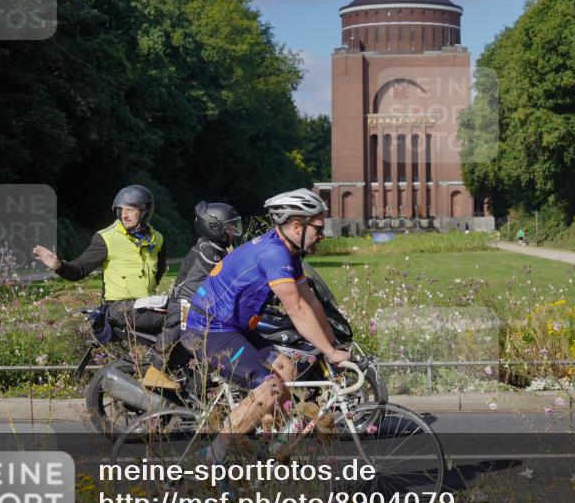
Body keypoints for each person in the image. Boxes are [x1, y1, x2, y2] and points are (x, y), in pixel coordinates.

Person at [182, 188, 351, 461]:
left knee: (286, 368)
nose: (323, 234)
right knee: (271, 387)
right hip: (208, 331)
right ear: (297, 226)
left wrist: (333, 345)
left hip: (232, 328)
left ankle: (260, 448)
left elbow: (310, 300)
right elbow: (295, 309)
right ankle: (211, 457)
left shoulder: (287, 251)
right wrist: (330, 354)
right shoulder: (274, 254)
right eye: (318, 228)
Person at [33, 185, 166, 334]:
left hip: (147, 307)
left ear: (145, 211)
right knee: (178, 315)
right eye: (121, 209)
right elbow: (79, 269)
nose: (124, 215)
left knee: (184, 314)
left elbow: (157, 275)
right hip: (120, 308)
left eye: (130, 210)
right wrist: (58, 265)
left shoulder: (157, 240)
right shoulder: (107, 238)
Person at [145, 201, 240, 390]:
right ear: (215, 227)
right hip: (185, 302)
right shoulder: (209, 251)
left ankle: (198, 384)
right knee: (183, 329)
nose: (233, 232)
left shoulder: (215, 247)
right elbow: (225, 279)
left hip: (198, 302)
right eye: (230, 227)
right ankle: (155, 370)